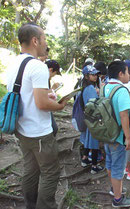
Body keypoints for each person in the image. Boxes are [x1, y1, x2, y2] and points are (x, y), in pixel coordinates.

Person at [6, 23, 68, 209]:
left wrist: (46, 96)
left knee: (30, 171)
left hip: (21, 129)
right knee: (50, 172)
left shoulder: (14, 64)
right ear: (35, 40)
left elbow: (27, 95)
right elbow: (41, 104)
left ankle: (30, 205)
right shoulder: (38, 66)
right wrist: (60, 105)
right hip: (39, 132)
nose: (45, 43)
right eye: (44, 39)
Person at [104, 61, 130, 208]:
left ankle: (114, 188)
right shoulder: (121, 90)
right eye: (127, 72)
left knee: (110, 163)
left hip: (106, 133)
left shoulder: (104, 87)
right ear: (120, 74)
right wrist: (128, 137)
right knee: (118, 167)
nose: (129, 75)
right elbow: (124, 115)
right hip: (118, 135)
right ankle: (118, 199)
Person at [79, 65, 105, 174]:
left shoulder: (85, 87)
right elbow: (94, 104)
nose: (95, 76)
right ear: (86, 76)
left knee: (88, 140)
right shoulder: (90, 88)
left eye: (96, 74)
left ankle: (85, 159)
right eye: (92, 74)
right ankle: (94, 166)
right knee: (94, 143)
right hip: (93, 119)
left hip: (88, 118)